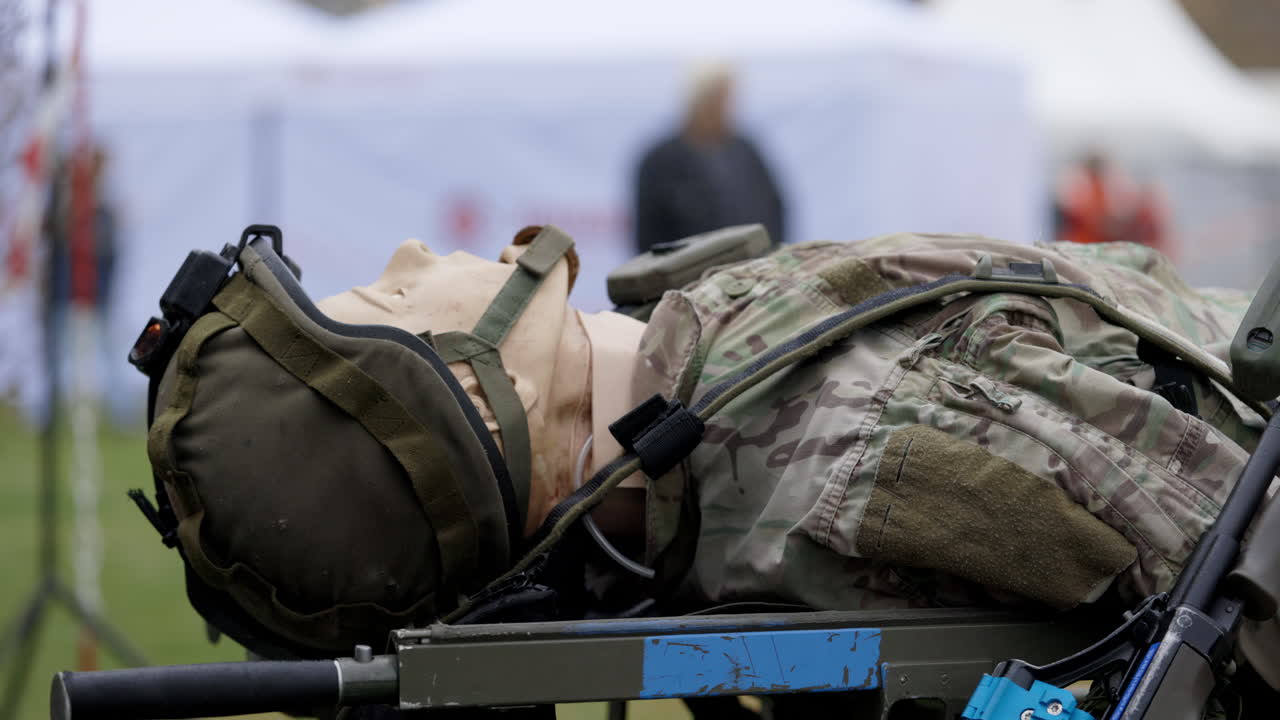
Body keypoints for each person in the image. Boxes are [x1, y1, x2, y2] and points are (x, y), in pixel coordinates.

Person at [143, 223, 1269, 667]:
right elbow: (1245, 564)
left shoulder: (718, 388)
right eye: (395, 290)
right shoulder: (877, 439)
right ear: (482, 408)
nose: (413, 244)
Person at [632, 64, 786, 253]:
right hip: (687, 277)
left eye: (728, 99)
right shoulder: (660, 161)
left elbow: (775, 208)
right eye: (718, 99)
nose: (726, 108)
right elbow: (649, 237)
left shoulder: (747, 152)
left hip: (751, 273)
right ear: (697, 100)